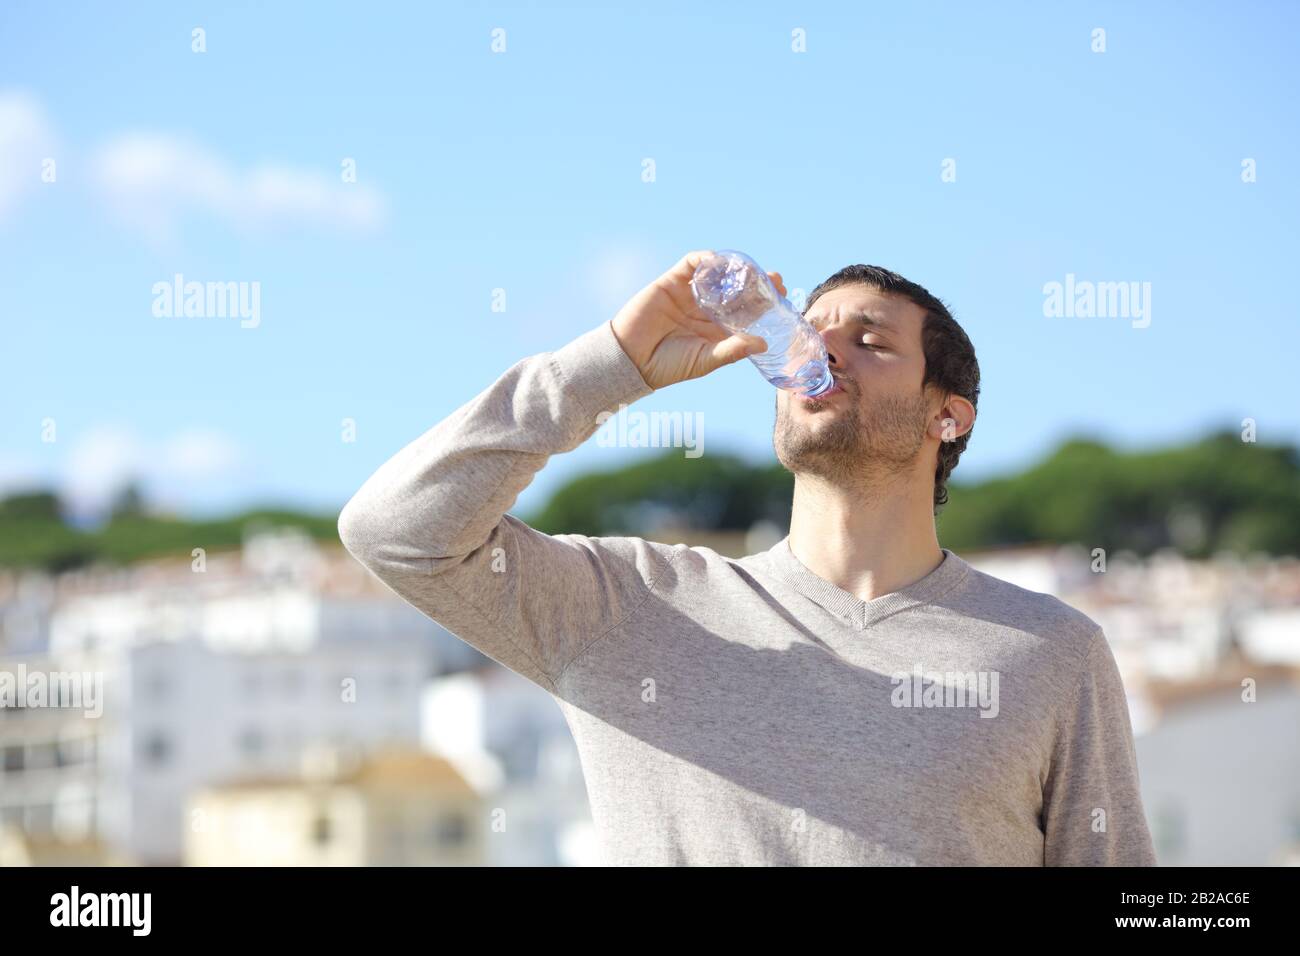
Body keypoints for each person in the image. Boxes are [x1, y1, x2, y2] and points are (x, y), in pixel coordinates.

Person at [338, 250, 1157, 866]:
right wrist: (609, 367)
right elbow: (392, 531)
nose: (821, 348)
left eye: (868, 338)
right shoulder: (627, 606)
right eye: (809, 324)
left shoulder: (1052, 652)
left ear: (949, 417)